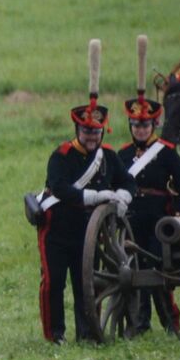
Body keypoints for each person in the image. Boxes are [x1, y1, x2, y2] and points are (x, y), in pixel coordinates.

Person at [35, 93, 129, 343]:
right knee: (53, 283)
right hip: (57, 229)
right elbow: (60, 188)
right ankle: (55, 335)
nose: (91, 137)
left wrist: (122, 197)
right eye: (87, 131)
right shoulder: (62, 155)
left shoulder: (108, 156)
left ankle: (88, 333)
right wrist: (96, 196)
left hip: (88, 232)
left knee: (87, 284)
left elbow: (128, 181)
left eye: (96, 132)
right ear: (77, 129)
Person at [115, 92, 180, 336]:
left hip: (159, 218)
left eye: (145, 125)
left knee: (157, 267)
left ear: (153, 125)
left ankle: (170, 321)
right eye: (136, 125)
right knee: (134, 269)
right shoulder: (123, 155)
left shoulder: (167, 152)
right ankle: (140, 323)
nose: (140, 130)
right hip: (131, 218)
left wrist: (177, 208)